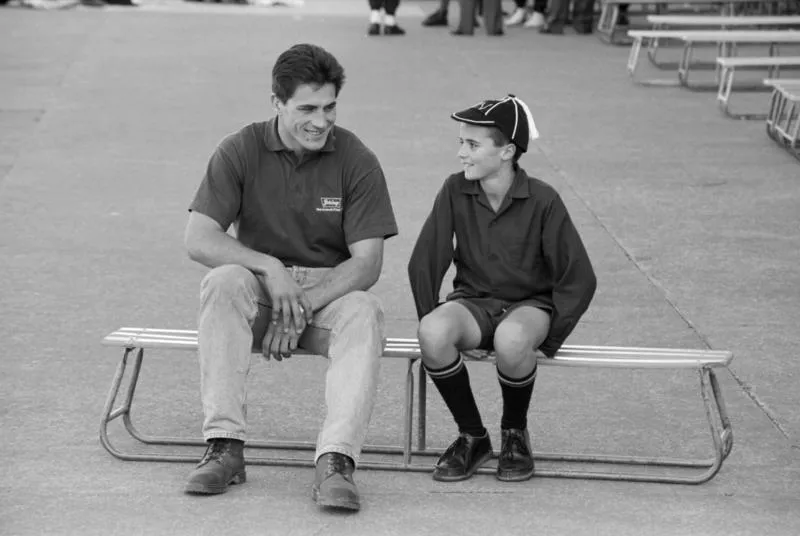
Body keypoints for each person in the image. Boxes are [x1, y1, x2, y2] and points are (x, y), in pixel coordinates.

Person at [183, 43, 399, 511]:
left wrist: (303, 305)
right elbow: (198, 238)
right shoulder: (240, 148)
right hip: (262, 290)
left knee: (366, 309)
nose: (321, 121)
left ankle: (336, 461)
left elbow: (366, 265)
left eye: (329, 107)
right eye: (307, 108)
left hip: (329, 294)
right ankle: (225, 447)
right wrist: (270, 267)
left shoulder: (356, 158)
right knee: (222, 282)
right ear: (277, 103)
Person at [407, 95, 596, 482]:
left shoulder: (543, 199)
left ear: (508, 151)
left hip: (529, 306)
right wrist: (432, 316)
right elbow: (426, 257)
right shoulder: (455, 190)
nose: (461, 153)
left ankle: (514, 433)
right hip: (474, 302)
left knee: (512, 339)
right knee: (433, 331)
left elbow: (578, 276)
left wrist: (550, 337)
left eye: (472, 145)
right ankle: (473, 436)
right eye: (461, 142)